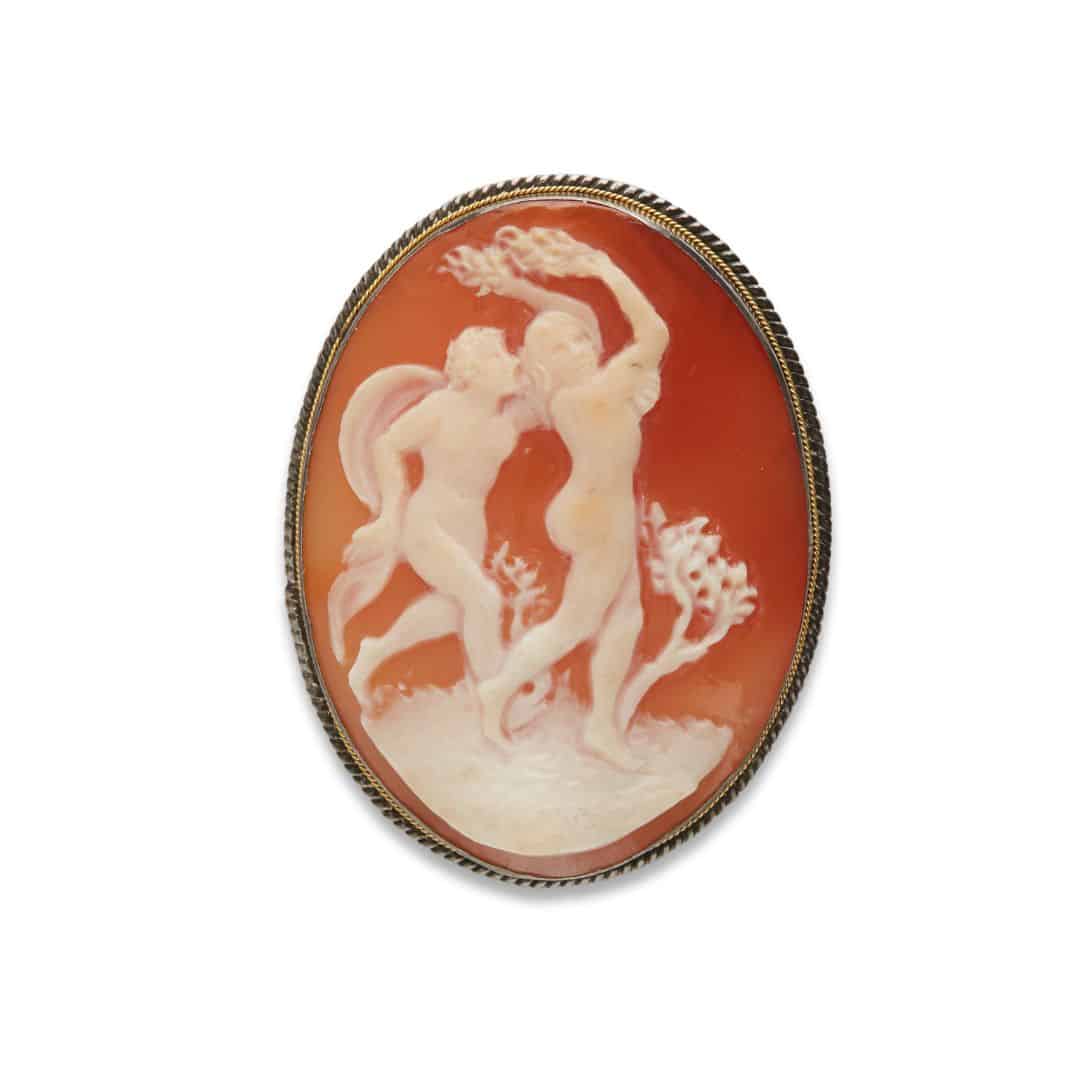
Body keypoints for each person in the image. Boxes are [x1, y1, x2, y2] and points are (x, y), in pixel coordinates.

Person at [472, 228, 670, 768]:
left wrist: (523, 288)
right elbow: (654, 334)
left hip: (606, 510)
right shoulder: (589, 395)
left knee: (626, 613)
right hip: (595, 516)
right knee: (577, 622)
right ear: (545, 367)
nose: (580, 348)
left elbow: (577, 314)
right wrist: (607, 271)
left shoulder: (583, 389)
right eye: (562, 348)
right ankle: (496, 691)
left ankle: (602, 725)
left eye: (581, 340)